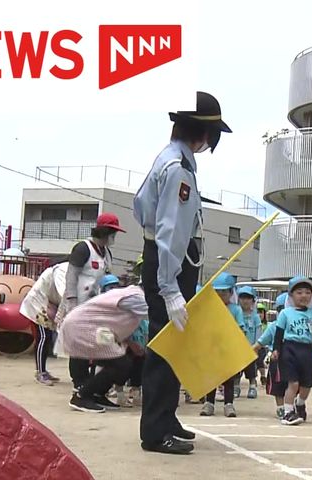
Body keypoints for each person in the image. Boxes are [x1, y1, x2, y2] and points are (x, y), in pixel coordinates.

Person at [135, 91, 232, 455]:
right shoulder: (178, 169)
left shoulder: (169, 159)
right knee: (166, 347)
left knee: (176, 345)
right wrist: (169, 287)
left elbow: (140, 208)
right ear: (204, 133)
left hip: (164, 259)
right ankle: (156, 430)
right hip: (170, 265)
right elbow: (172, 232)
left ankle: (166, 417)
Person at [58, 280, 148, 413]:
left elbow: (118, 321)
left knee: (124, 360)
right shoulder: (137, 298)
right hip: (83, 327)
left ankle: (97, 394)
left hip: (93, 328)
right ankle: (81, 396)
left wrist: (130, 343)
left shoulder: (133, 293)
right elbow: (158, 315)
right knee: (120, 364)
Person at [57, 213, 124, 388]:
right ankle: (79, 382)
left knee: (94, 345)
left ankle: (92, 385)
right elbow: (71, 276)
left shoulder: (106, 253)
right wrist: (71, 303)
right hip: (78, 304)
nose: (113, 237)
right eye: (112, 233)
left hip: (96, 307)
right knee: (78, 346)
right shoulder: (83, 248)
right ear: (104, 231)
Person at [261, 276, 312, 426]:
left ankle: (300, 403)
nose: (304, 296)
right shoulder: (285, 313)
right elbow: (279, 333)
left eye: (307, 292)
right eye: (299, 292)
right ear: (291, 295)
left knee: (306, 385)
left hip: (306, 350)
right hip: (289, 349)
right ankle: (288, 412)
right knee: (293, 383)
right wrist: (276, 349)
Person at [201, 272, 246, 418]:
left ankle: (228, 404)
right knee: (211, 377)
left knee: (228, 378)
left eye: (224, 291)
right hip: (212, 348)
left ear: (231, 292)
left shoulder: (236, 309)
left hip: (228, 348)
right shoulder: (209, 309)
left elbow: (240, 329)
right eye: (217, 292)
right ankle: (209, 403)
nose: (220, 295)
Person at [19, 259, 68, 385]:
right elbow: (65, 294)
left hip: (51, 304)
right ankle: (40, 372)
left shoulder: (75, 272)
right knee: (43, 337)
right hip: (39, 303)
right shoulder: (63, 269)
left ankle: (43, 371)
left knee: (48, 337)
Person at [236, 285, 262, 399]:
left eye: (248, 298)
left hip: (251, 347)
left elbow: (258, 330)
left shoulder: (255, 316)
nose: (245, 301)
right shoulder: (237, 313)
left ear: (253, 300)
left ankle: (252, 386)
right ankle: (236, 386)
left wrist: (257, 345)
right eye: (242, 298)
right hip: (237, 348)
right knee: (236, 369)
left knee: (251, 369)